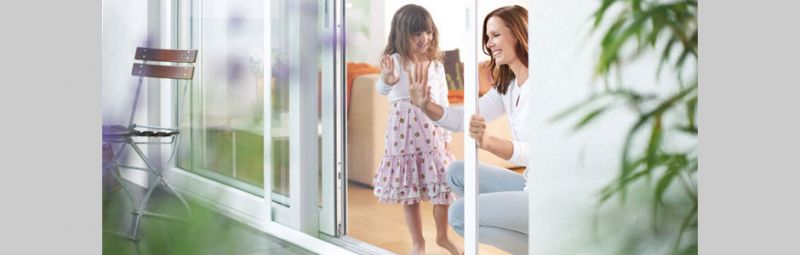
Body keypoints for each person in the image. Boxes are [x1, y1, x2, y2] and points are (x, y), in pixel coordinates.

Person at [408, 5, 530, 255]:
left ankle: (544, 246)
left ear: (518, 34)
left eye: (495, 35)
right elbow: (463, 119)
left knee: (460, 214)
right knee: (456, 172)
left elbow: (539, 152)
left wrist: (488, 141)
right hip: (529, 182)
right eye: (487, 37)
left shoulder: (542, 83)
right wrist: (425, 105)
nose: (489, 43)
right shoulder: (509, 85)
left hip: (546, 191)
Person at [371, 4, 462, 255]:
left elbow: (443, 101)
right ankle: (418, 242)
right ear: (403, 34)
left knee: (442, 183)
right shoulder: (397, 61)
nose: (425, 39)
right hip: (403, 130)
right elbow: (382, 89)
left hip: (431, 127)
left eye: (428, 32)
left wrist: (446, 134)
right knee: (409, 189)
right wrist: (386, 80)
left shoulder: (435, 64)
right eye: (417, 34)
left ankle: (443, 237)